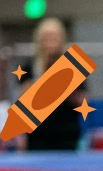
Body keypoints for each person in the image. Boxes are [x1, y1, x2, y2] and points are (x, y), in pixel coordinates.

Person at [17, 18, 81, 152]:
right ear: (39, 40)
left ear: (62, 39)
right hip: (38, 136)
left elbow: (82, 100)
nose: (50, 41)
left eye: (54, 37)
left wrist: (62, 85)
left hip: (66, 135)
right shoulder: (29, 67)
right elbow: (22, 101)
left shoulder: (73, 67)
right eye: (46, 37)